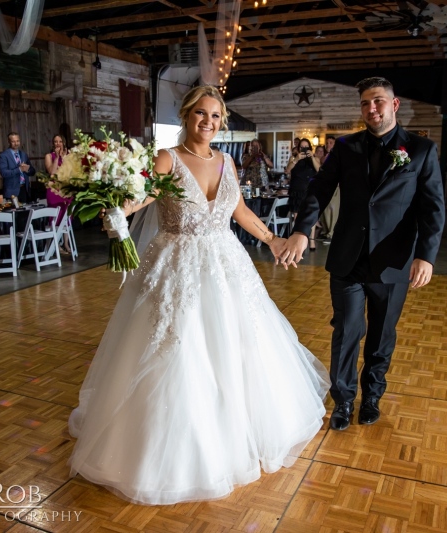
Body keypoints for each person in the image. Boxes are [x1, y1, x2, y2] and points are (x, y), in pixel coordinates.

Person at [67, 85, 329, 505]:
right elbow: (142, 195)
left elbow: (238, 209)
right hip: (176, 265)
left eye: (215, 116)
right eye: (200, 114)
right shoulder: (167, 158)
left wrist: (272, 239)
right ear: (187, 117)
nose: (208, 122)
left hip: (226, 263)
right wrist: (116, 208)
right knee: (177, 349)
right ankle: (174, 449)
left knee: (237, 344)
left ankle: (237, 430)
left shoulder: (226, 160)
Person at [277, 77, 445, 430]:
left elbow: (432, 208)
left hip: (394, 261)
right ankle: (343, 400)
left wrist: (426, 256)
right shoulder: (346, 147)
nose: (372, 108)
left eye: (379, 101)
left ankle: (372, 396)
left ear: (394, 104)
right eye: (366, 102)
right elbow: (319, 190)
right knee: (347, 330)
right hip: (348, 258)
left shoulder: (420, 150)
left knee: (382, 335)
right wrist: (302, 231)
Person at [285, 138, 320, 250]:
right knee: (298, 217)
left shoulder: (315, 158)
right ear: (298, 148)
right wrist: (297, 159)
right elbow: (288, 170)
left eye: (306, 147)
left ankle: (312, 241)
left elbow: (319, 170)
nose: (304, 149)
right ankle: (299, 241)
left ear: (310, 148)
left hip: (310, 190)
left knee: (312, 215)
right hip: (296, 191)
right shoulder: (294, 158)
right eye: (302, 147)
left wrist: (312, 157)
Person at [44, 134, 72, 255]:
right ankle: (56, 244)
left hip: (66, 189)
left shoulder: (69, 154)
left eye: (60, 141)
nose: (58, 144)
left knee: (67, 217)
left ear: (63, 142)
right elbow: (52, 173)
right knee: (55, 217)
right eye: (55, 141)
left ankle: (66, 243)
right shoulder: (49, 156)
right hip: (54, 190)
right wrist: (57, 158)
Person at [0, 132, 36, 203]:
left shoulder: (23, 154)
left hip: (24, 190)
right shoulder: (3, 156)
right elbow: (4, 173)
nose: (16, 143)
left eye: (18, 141)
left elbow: (33, 171)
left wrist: (27, 170)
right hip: (11, 191)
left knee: (25, 213)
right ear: (9, 142)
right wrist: (19, 169)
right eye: (13, 141)